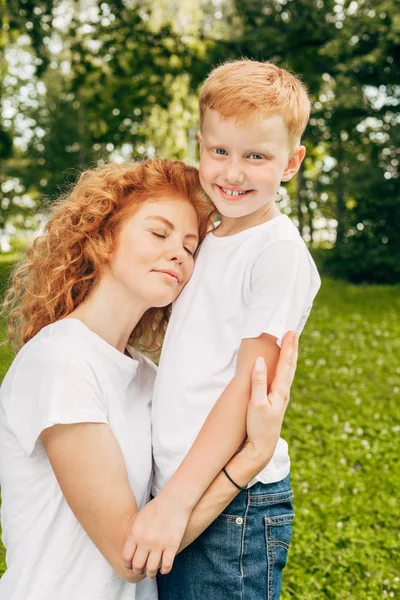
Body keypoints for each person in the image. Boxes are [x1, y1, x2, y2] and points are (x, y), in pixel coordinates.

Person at [0, 157, 298, 600]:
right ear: (103, 239)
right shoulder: (60, 361)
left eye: (190, 246)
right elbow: (129, 553)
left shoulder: (148, 376)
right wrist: (251, 458)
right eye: (159, 233)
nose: (178, 252)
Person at [123, 60, 321, 599]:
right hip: (181, 482)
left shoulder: (277, 253)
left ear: (291, 162)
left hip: (233, 504)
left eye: (256, 156)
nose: (233, 173)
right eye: (220, 151)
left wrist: (177, 501)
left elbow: (246, 388)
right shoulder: (209, 234)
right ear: (200, 144)